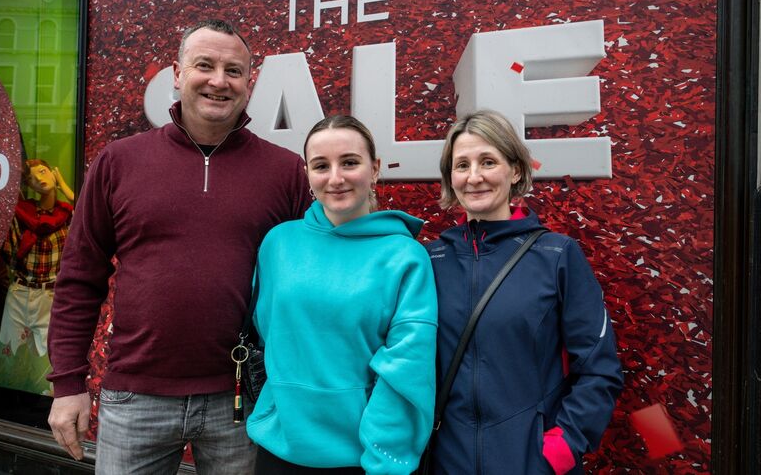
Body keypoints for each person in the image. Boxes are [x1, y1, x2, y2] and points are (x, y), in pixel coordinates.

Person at [46, 19, 311, 474]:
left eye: (233, 70)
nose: (218, 81)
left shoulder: (285, 172)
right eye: (204, 65)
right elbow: (79, 279)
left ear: (250, 81)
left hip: (243, 398)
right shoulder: (119, 162)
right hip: (135, 397)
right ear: (176, 72)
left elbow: (310, 281)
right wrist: (68, 384)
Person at [426, 110, 623, 474]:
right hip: (447, 463)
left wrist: (560, 449)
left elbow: (600, 368)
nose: (474, 177)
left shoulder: (556, 256)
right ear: (449, 177)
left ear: (515, 170)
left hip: (531, 463)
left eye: (488, 161)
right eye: (461, 165)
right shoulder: (431, 260)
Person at [246, 115, 438, 475]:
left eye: (349, 162)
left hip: (361, 459)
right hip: (277, 450)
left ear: (375, 169)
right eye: (321, 166)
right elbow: (267, 332)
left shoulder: (405, 256)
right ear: (307, 174)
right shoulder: (278, 243)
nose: (335, 178)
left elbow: (407, 370)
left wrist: (385, 462)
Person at [0, 159, 74, 358]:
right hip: (20, 291)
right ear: (28, 185)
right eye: (32, 178)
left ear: (53, 172)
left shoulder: (67, 214)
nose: (39, 179)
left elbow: (89, 207)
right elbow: (9, 254)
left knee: (48, 362)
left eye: (43, 172)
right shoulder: (23, 213)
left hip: (51, 296)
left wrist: (63, 185)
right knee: (10, 359)